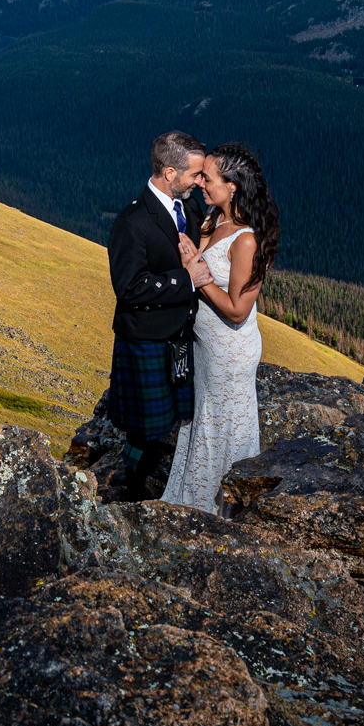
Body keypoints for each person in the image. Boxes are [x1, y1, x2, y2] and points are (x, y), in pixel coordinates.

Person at [161, 142, 280, 515]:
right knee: (203, 421)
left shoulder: (246, 238)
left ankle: (210, 510)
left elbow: (238, 309)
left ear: (232, 185)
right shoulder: (214, 218)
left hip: (230, 350)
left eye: (207, 178)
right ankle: (192, 498)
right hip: (206, 346)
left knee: (221, 427)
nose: (200, 184)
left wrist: (199, 276)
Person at [107, 130, 212, 501]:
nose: (200, 182)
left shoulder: (191, 209)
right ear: (170, 173)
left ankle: (145, 481)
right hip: (146, 338)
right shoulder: (132, 222)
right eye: (195, 175)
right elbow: (130, 288)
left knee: (173, 419)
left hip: (178, 336)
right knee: (145, 428)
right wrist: (187, 279)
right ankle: (130, 489)